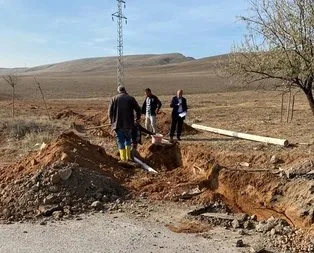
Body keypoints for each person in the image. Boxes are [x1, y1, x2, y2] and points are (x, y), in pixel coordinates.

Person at [108, 86, 141, 162]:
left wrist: (110, 121)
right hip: (128, 124)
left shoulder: (114, 98)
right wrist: (138, 118)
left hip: (117, 124)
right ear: (125, 90)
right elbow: (138, 109)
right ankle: (128, 157)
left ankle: (123, 159)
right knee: (128, 139)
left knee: (120, 140)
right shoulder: (130, 98)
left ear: (118, 91)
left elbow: (110, 111)